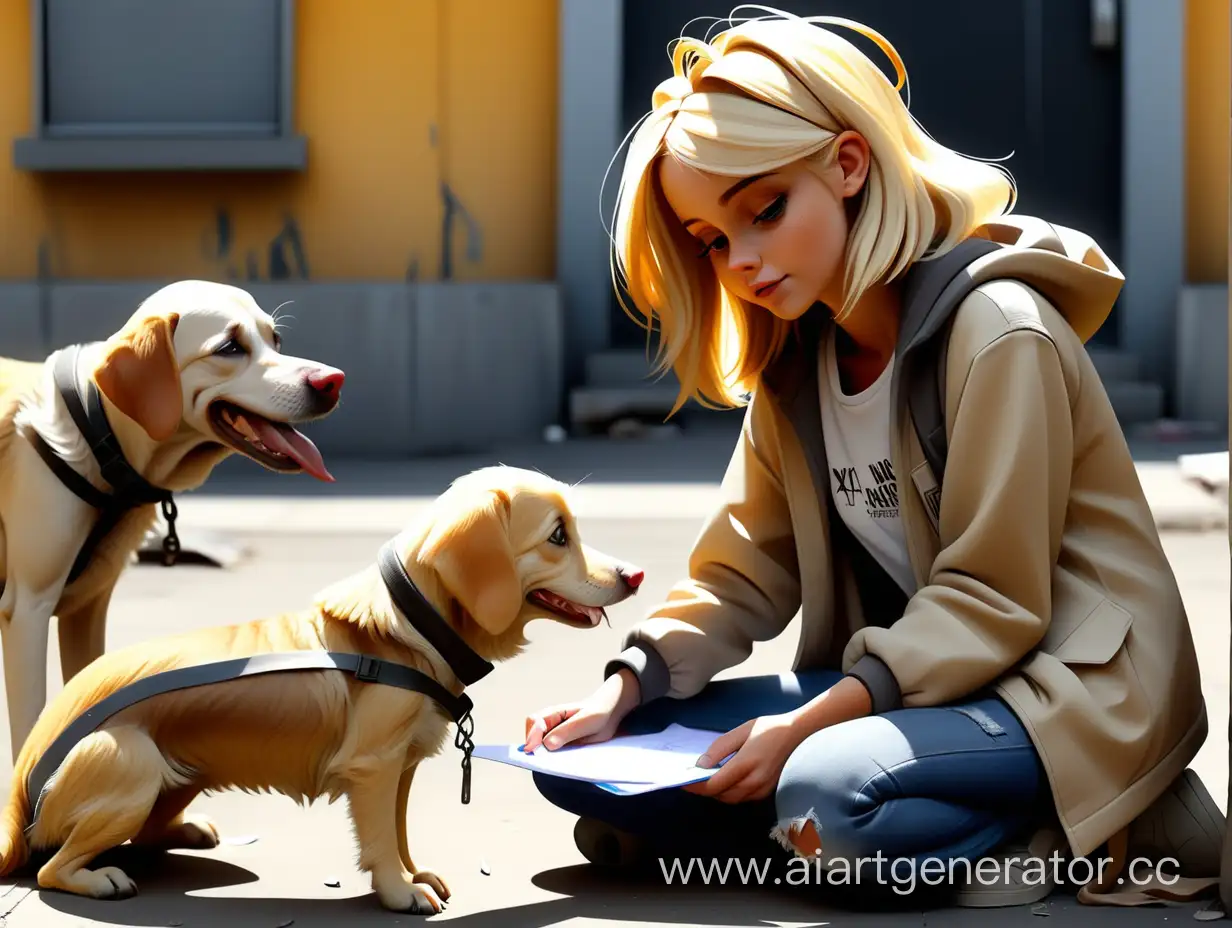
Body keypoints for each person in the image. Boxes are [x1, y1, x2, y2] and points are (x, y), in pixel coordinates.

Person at [523, 7, 1225, 910]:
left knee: (826, 798)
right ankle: (821, 821)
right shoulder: (799, 365)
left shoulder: (1000, 333)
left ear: (849, 164)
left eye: (765, 211)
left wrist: (809, 726)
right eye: (711, 240)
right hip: (912, 691)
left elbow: (994, 602)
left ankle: (1086, 818)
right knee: (589, 770)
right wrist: (627, 686)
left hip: (1065, 692)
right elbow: (741, 570)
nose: (740, 261)